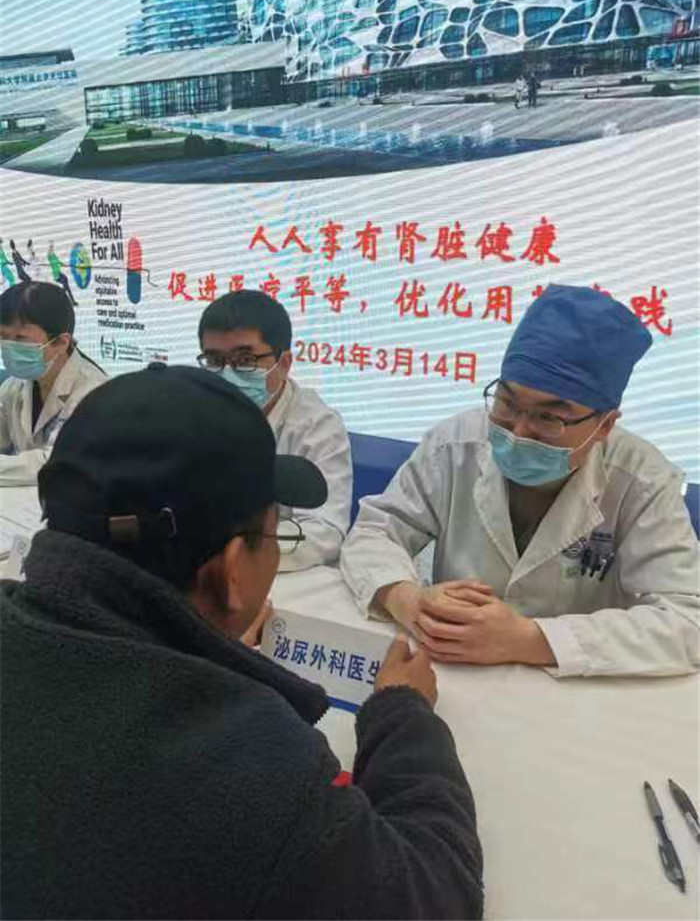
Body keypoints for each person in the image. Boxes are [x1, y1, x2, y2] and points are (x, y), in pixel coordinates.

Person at [0, 364, 484, 920]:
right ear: (233, 570)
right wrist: (403, 715)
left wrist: (205, 641)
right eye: (273, 533)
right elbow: (434, 895)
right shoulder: (256, 776)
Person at [340, 285, 700, 678]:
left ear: (604, 425)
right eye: (507, 403)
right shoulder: (455, 443)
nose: (518, 432)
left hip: (574, 690)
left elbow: (687, 620)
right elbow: (376, 531)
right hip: (449, 672)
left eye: (549, 417)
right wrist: (406, 598)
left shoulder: (643, 480)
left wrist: (531, 639)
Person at [198, 289, 352, 571]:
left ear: (284, 364)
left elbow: (324, 530)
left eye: (245, 361)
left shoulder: (317, 426)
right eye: (214, 361)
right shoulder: (191, 411)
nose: (227, 375)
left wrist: (237, 551)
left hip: (282, 572)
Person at [0, 280, 106, 486]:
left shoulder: (94, 392)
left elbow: (55, 463)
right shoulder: (15, 385)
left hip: (73, 498)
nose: (9, 346)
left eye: (21, 338)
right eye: (3, 336)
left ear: (61, 342)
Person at [47, 240, 78, 306]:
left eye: (52, 249)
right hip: (56, 275)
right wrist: (51, 245)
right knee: (66, 286)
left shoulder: (54, 256)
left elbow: (58, 262)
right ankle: (61, 297)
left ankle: (71, 301)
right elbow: (49, 252)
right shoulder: (50, 257)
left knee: (66, 285)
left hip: (59, 273)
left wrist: (63, 264)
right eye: (51, 249)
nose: (52, 250)